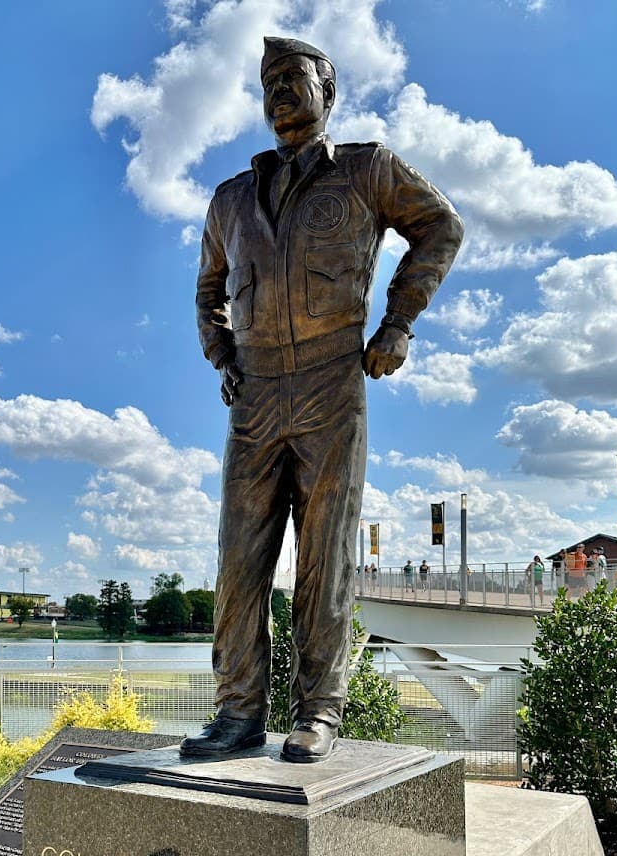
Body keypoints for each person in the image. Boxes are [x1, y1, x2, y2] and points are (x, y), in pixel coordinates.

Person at [181, 35, 463, 763]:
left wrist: (398, 323)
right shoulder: (230, 200)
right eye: (268, 81)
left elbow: (441, 226)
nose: (278, 90)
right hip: (255, 393)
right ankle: (237, 713)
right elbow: (207, 295)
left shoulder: (368, 171)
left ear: (327, 93)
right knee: (238, 560)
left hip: (333, 382)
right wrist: (223, 357)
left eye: (293, 78)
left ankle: (319, 710)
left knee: (324, 554)